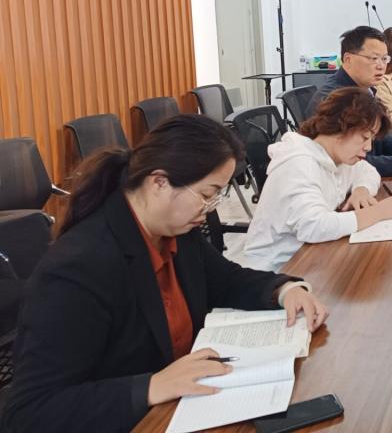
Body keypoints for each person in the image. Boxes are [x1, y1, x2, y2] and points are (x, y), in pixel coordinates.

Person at [1, 115, 329, 433]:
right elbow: (31, 412)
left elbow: (225, 280)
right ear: (159, 181)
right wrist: (151, 386)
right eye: (206, 195)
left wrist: (284, 290)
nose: (209, 209)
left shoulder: (176, 231)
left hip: (185, 408)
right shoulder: (78, 269)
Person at [242, 88, 392, 272]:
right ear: (340, 127)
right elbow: (313, 227)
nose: (368, 147)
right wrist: (378, 212)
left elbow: (368, 171)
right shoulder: (299, 164)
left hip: (310, 258)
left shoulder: (338, 156)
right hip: (275, 270)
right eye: (364, 137)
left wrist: (361, 189)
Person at [313, 26, 392, 176]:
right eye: (374, 58)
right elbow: (350, 163)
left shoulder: (364, 89)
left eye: (384, 59)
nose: (382, 66)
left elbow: (375, 137)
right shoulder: (334, 99)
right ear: (348, 59)